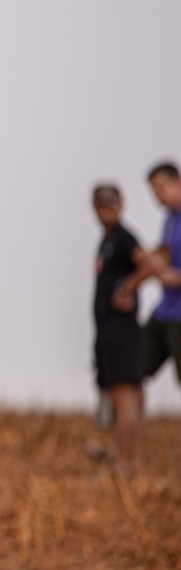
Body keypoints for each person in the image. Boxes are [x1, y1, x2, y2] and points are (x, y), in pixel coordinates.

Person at [88, 184, 148, 476]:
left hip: (120, 332)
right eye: (101, 207)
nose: (105, 212)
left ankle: (123, 464)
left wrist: (127, 287)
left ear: (121, 206)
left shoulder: (124, 238)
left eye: (110, 206)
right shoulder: (108, 240)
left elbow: (149, 264)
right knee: (122, 396)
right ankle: (124, 459)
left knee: (124, 396)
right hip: (110, 332)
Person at [114, 161, 181, 393]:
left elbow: (170, 271)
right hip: (165, 310)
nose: (157, 195)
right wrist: (132, 282)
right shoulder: (170, 220)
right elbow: (162, 257)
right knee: (132, 368)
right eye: (153, 189)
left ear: (178, 182)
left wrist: (177, 277)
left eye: (161, 187)